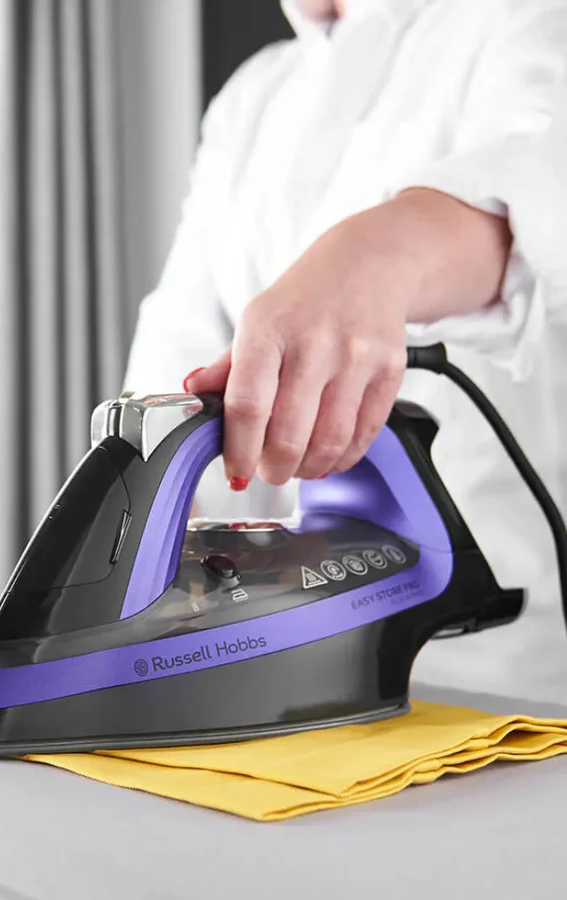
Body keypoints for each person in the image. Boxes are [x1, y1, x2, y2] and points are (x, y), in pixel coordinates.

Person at [123, 0, 567, 701]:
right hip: (271, 677)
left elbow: (533, 207)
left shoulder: (527, 22)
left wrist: (370, 264)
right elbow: (175, 355)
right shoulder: (256, 95)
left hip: (497, 689)